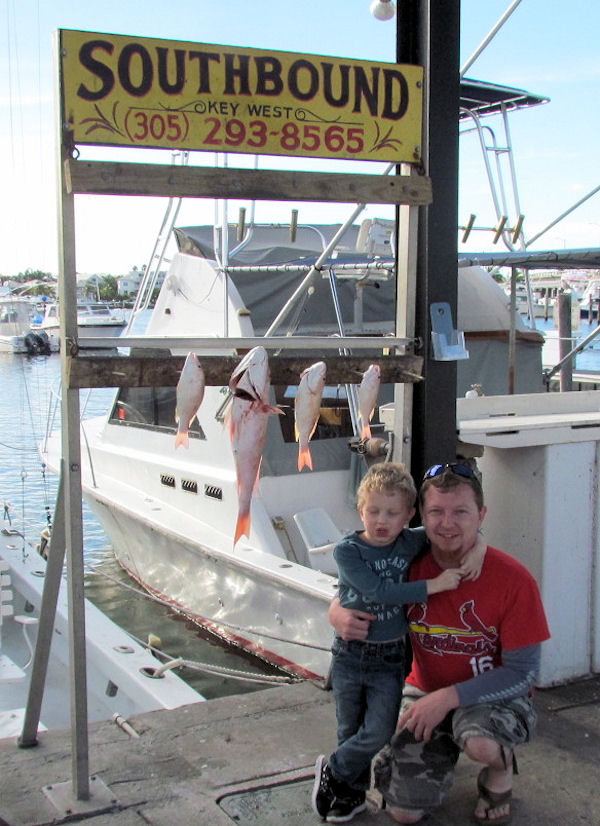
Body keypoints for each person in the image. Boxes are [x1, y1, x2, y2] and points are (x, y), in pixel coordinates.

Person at [330, 462, 551, 826]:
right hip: (425, 693)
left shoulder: (514, 579)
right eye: (436, 512)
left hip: (492, 698)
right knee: (403, 813)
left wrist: (449, 698)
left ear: (481, 515)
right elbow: (365, 588)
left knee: (479, 742)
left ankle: (500, 767)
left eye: (461, 512)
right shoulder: (408, 561)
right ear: (421, 518)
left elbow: (524, 674)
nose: (447, 523)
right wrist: (335, 610)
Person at [313, 462, 486, 823]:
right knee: (349, 728)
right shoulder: (348, 551)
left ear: (409, 515)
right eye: (373, 511)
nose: (381, 520)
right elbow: (379, 591)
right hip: (349, 655)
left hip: (390, 657)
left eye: (392, 513)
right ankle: (351, 794)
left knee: (376, 730)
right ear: (360, 509)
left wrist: (480, 546)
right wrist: (432, 586)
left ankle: (334, 769)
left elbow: (450, 530)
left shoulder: (411, 540)